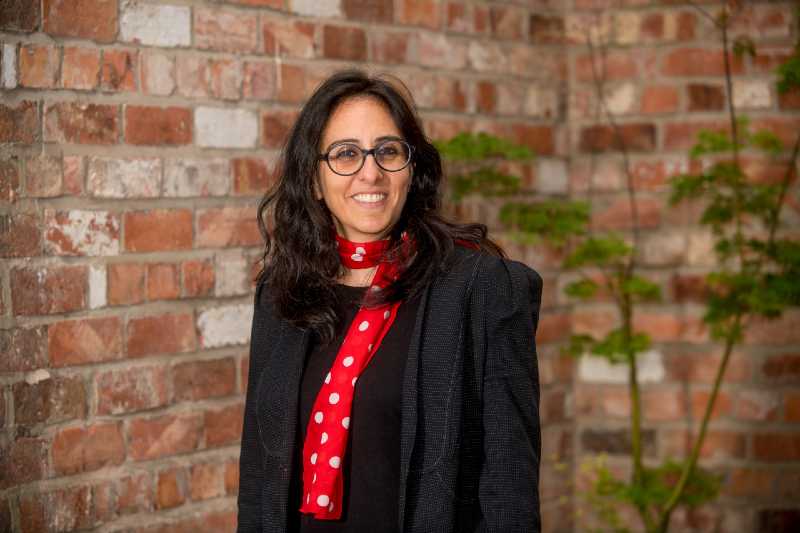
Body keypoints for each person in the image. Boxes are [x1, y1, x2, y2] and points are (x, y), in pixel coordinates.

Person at [237, 70, 543, 533]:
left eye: (388, 151)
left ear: (411, 167)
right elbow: (260, 477)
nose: (370, 171)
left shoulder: (482, 290)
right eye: (345, 154)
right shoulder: (282, 294)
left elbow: (509, 494)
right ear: (314, 181)